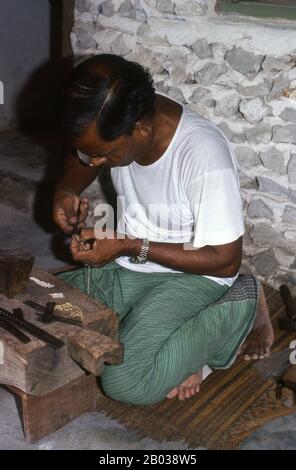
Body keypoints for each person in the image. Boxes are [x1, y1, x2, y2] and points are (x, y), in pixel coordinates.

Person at [53, 53, 274, 405]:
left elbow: (224, 259)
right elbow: (84, 157)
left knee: (126, 382)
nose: (93, 163)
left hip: (196, 275)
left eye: (104, 155)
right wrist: (66, 190)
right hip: (129, 265)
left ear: (140, 128)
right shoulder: (120, 125)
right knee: (43, 311)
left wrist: (126, 245)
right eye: (89, 154)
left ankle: (242, 303)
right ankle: (175, 341)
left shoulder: (203, 156)